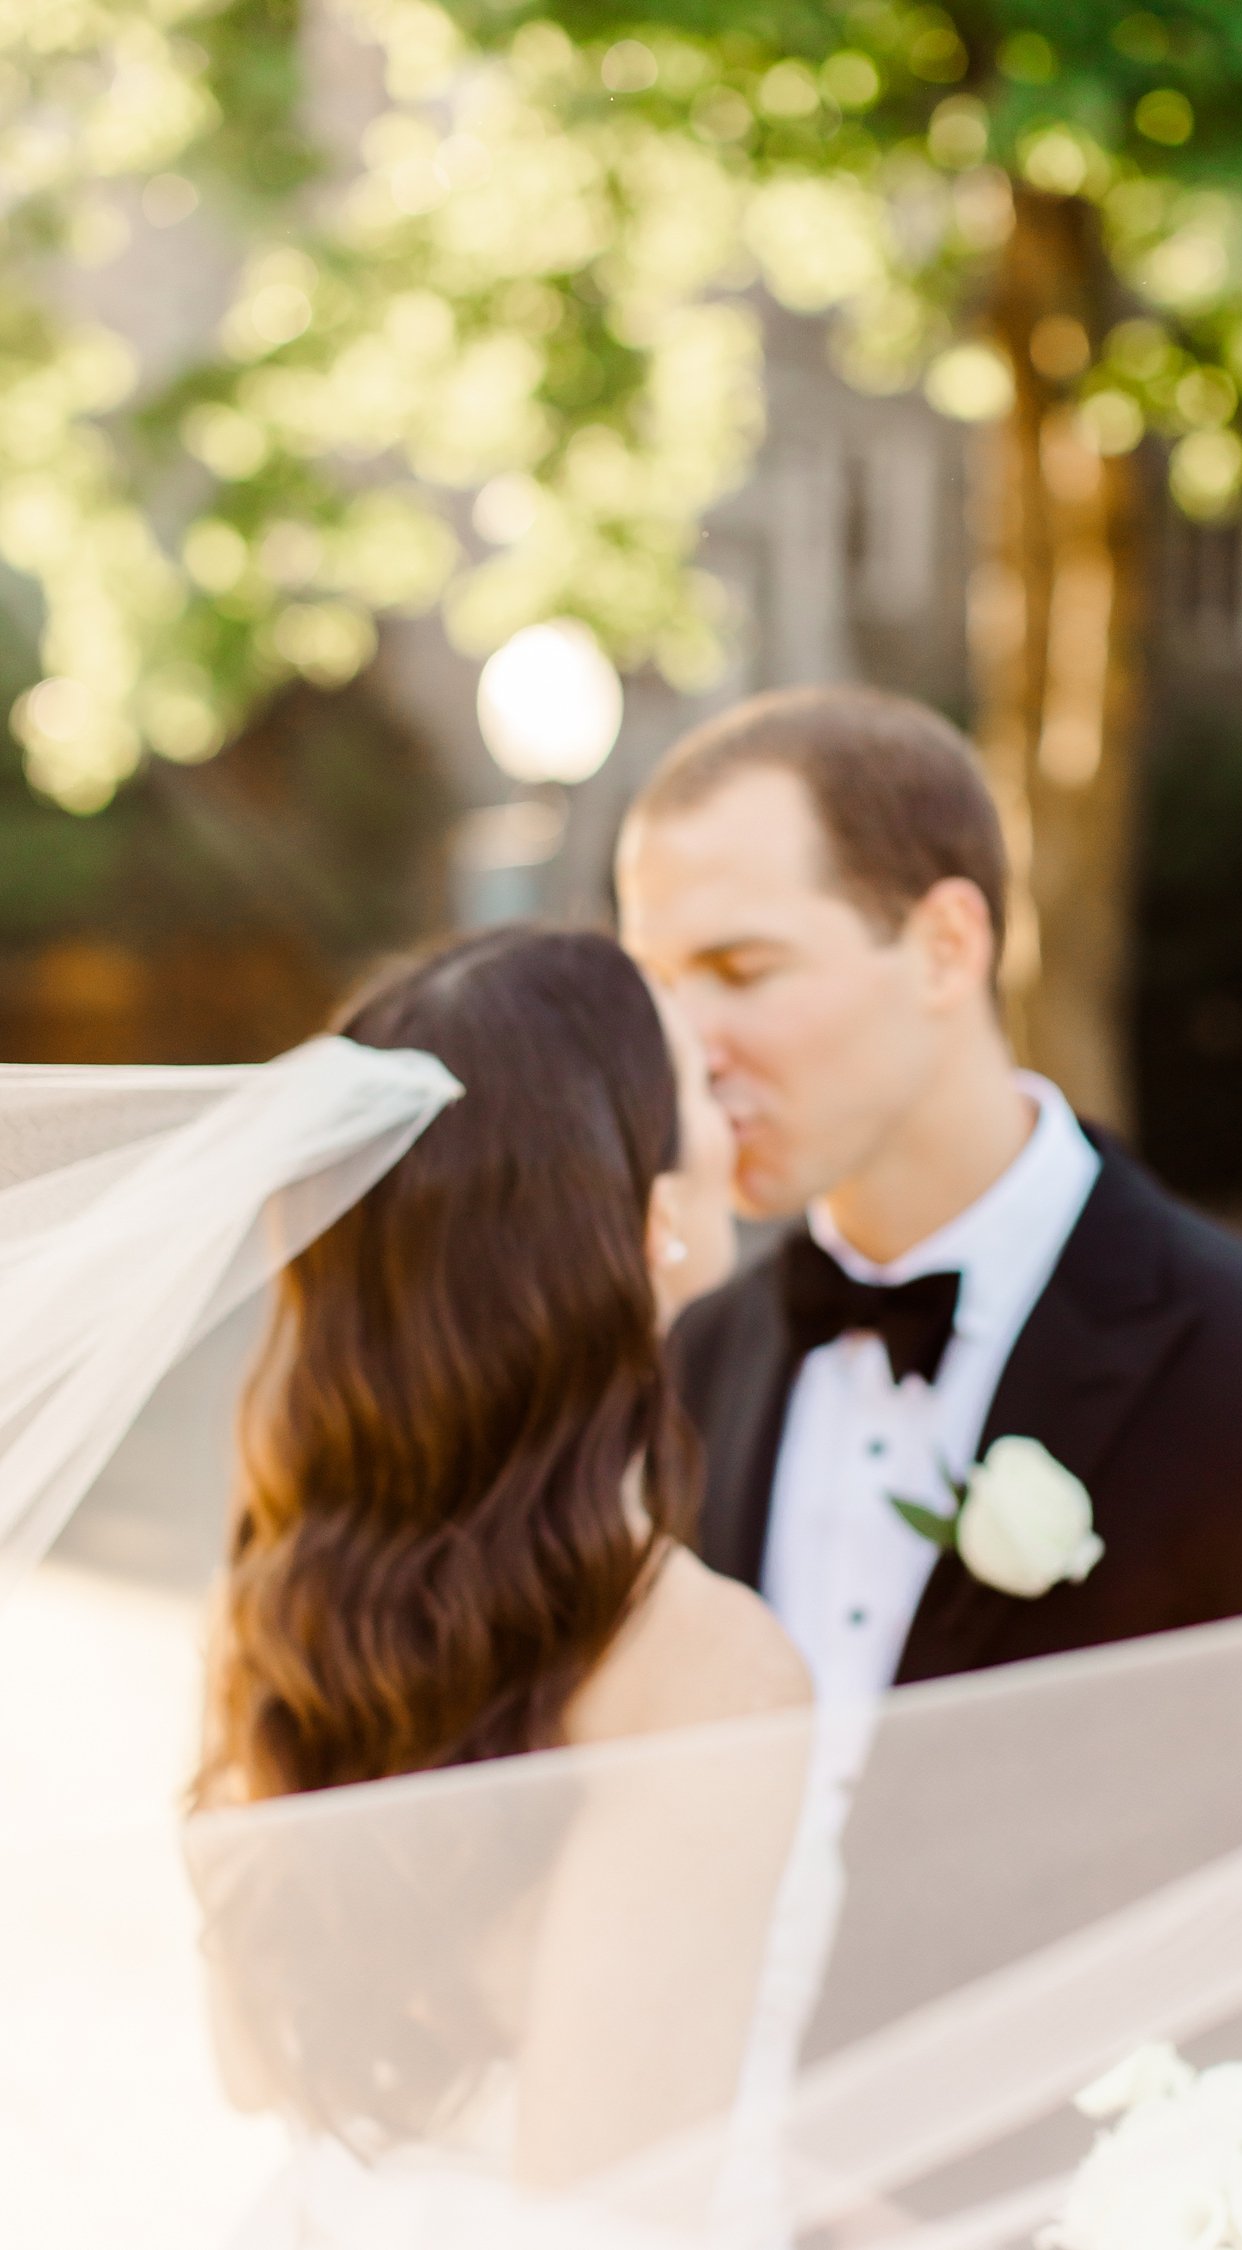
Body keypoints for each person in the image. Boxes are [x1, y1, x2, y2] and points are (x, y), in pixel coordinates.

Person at [616, 684, 1242, 1701]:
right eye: (657, 985)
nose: (684, 1050)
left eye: (742, 970)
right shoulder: (688, 1366)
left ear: (948, 946)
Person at [193, 926, 818, 2220]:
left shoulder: (289, 1588)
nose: (728, 1091)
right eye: (693, 1080)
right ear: (655, 1224)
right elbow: (614, 2205)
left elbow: (258, 2064)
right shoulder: (703, 1666)